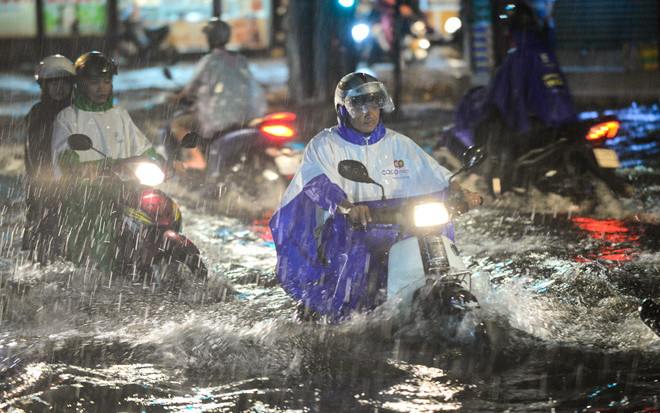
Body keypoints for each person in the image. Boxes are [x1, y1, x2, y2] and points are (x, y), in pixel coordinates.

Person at [269, 72, 482, 322]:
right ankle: (357, 323)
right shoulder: (324, 145)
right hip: (349, 230)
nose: (368, 113)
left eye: (374, 105)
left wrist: (462, 192)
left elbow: (437, 176)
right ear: (343, 110)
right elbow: (316, 182)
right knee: (357, 261)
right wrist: (347, 207)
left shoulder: (399, 144)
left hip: (401, 228)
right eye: (359, 106)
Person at [50, 51, 162, 269]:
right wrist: (82, 168)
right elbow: (64, 155)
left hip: (126, 190)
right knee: (101, 249)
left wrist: (164, 161)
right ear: (81, 84)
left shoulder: (120, 114)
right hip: (86, 198)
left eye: (107, 81)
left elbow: (143, 146)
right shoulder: (67, 118)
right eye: (94, 82)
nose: (102, 87)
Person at [166, 17, 266, 172]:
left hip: (219, 118)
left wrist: (174, 98)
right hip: (247, 115)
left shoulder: (209, 61)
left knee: (178, 123)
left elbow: (190, 90)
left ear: (209, 38)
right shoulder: (240, 60)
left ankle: (197, 159)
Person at [22, 54, 76, 255]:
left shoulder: (79, 111)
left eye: (64, 82)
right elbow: (34, 155)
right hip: (46, 187)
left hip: (76, 181)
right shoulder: (37, 114)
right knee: (46, 233)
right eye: (54, 83)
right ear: (44, 86)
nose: (60, 88)